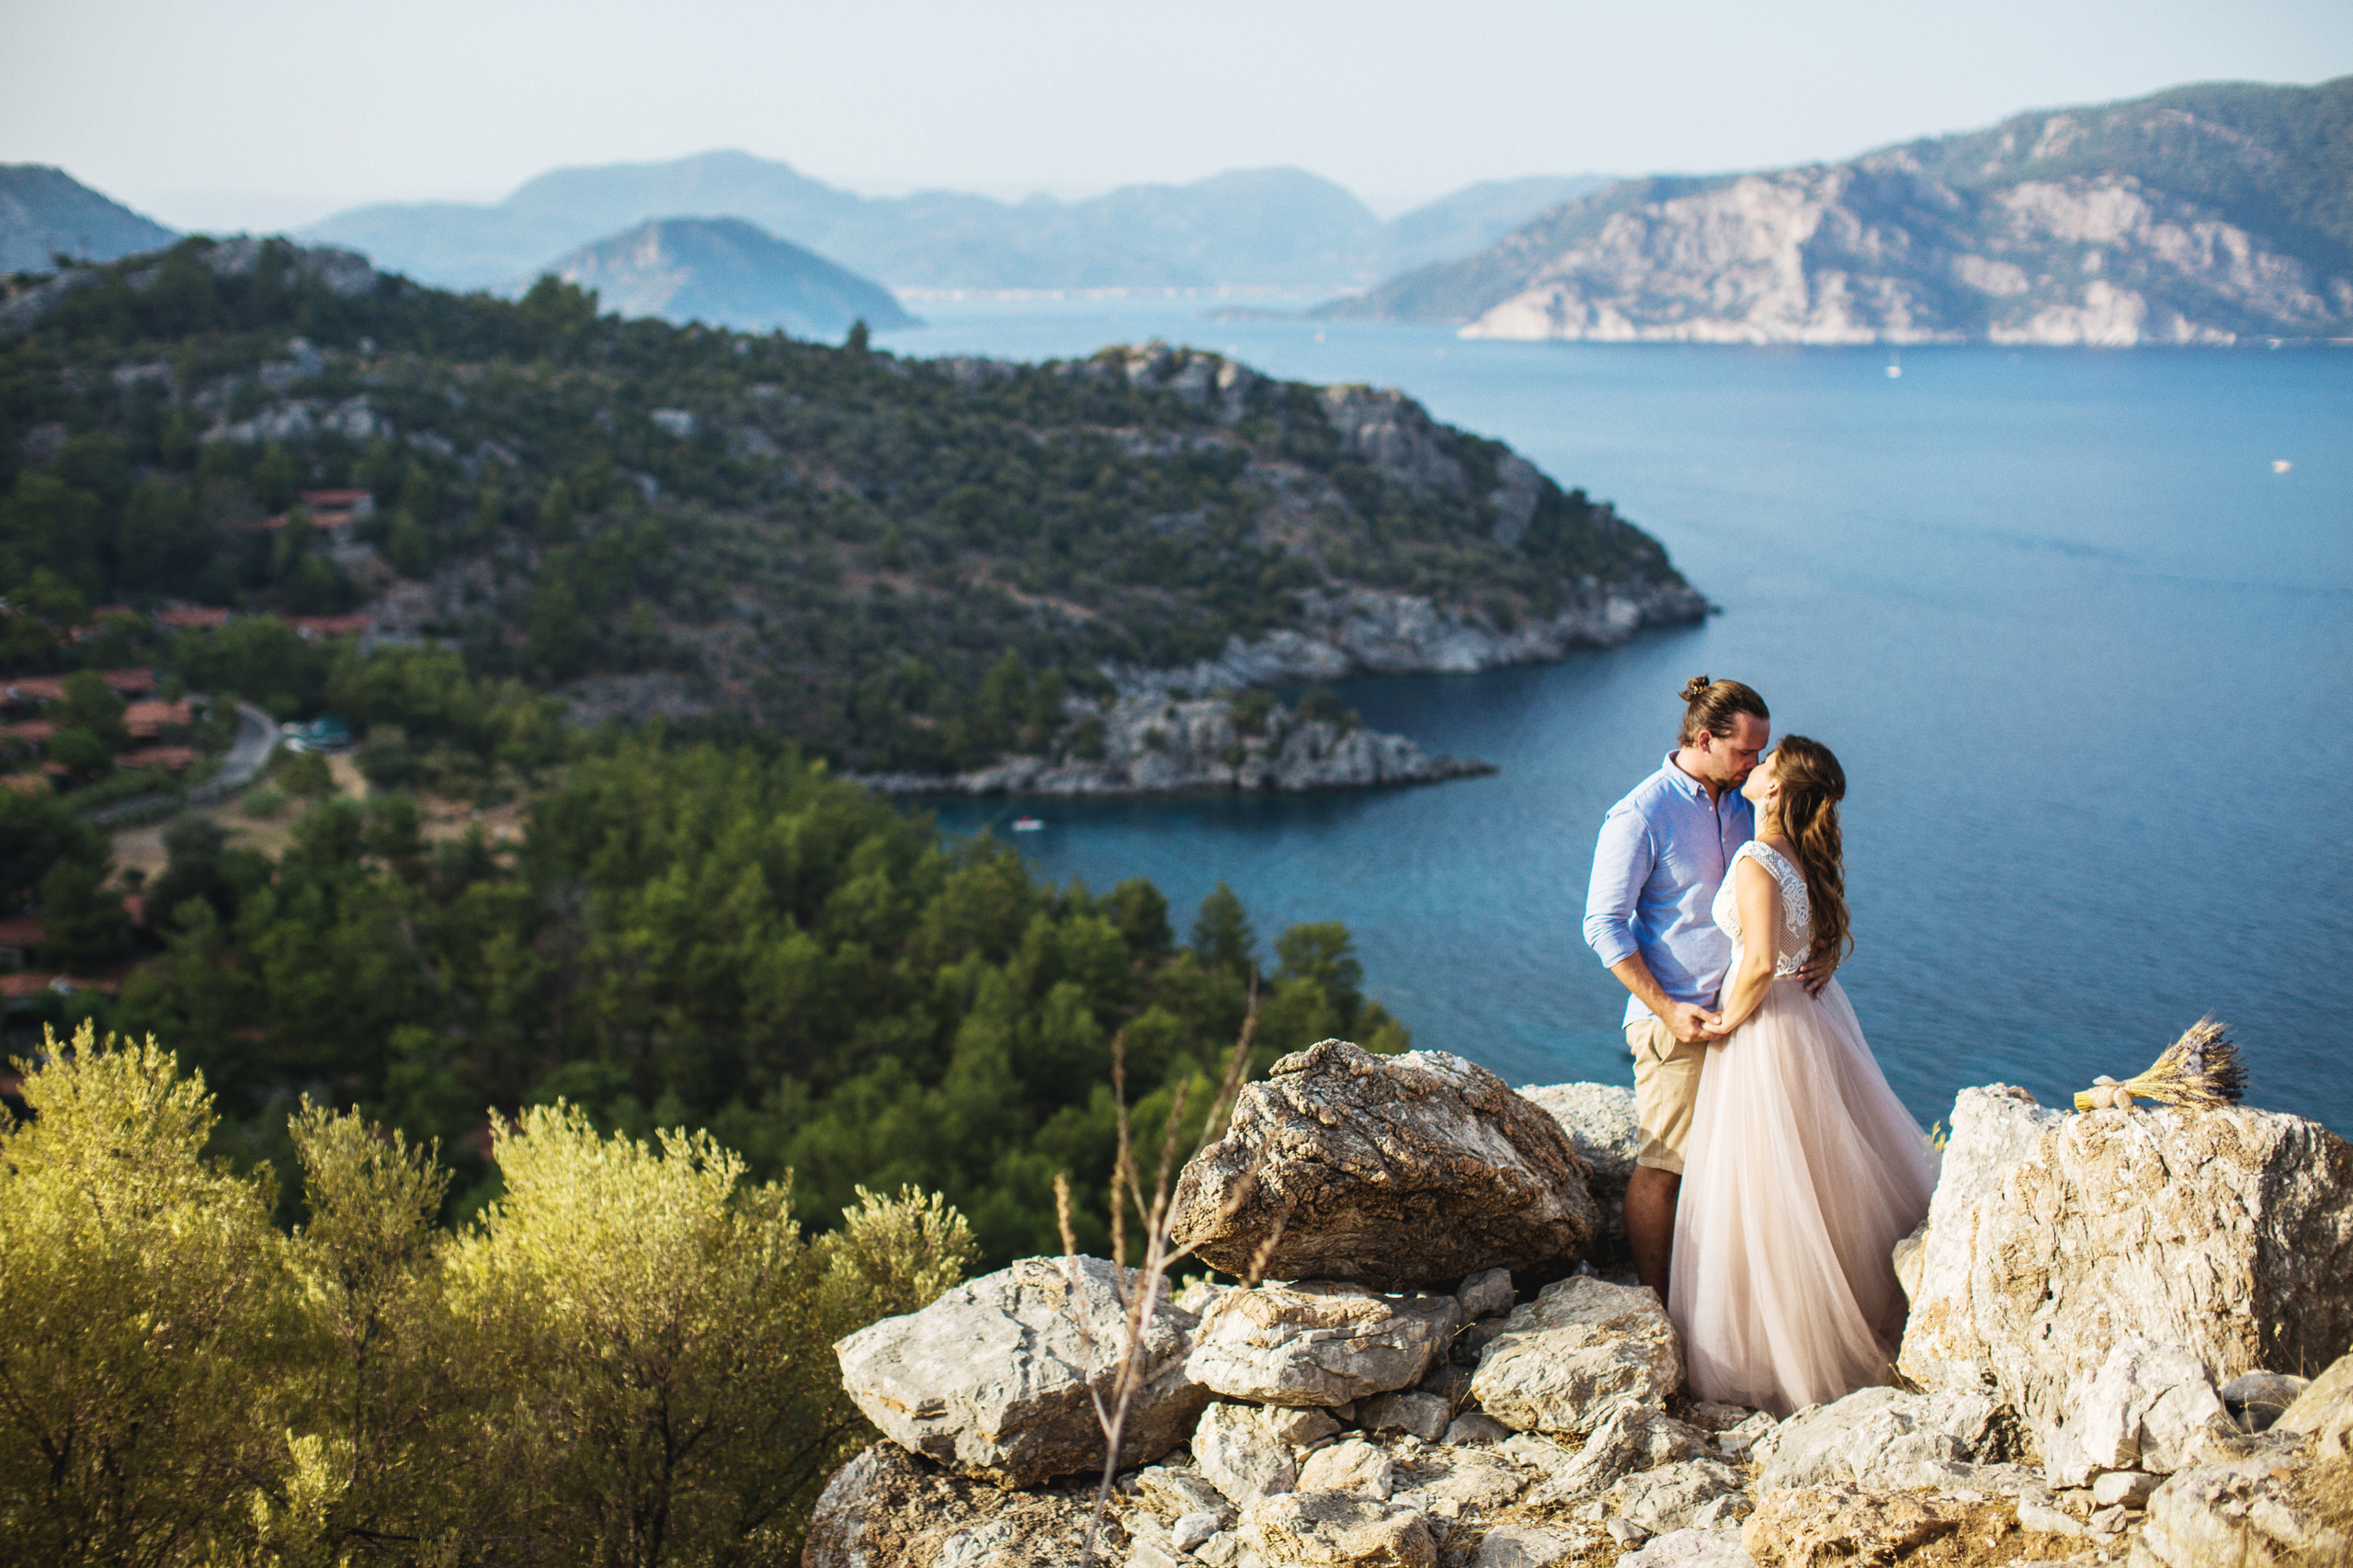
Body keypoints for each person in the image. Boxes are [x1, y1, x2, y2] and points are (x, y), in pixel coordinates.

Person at [1670, 735, 1938, 1415]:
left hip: (1767, 1025)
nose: (1752, 769)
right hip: (1812, 1016)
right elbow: (1809, 941)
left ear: (1776, 790)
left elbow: (1759, 961)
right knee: (1821, 1177)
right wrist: (1819, 961)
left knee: (1765, 1187)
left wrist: (1728, 1021)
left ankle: (1779, 1351)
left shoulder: (1757, 858)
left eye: (1764, 765)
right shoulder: (1803, 855)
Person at [1583, 676, 1772, 1299]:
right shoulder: (1640, 813)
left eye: (1760, 751)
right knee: (1666, 1167)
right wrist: (1666, 1009)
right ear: (1702, 738)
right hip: (1677, 1021)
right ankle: (1658, 1305)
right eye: (1746, 751)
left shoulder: (1749, 803)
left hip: (1749, 1018)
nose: (1757, 763)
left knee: (1746, 1167)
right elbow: (1603, 925)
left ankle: (1721, 1300)